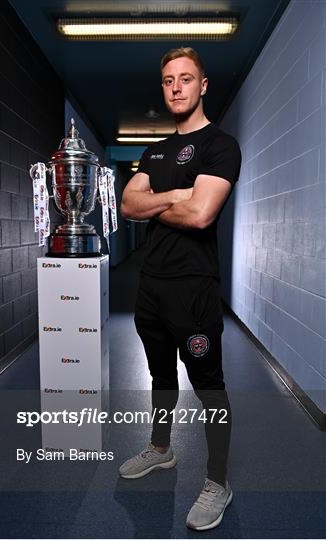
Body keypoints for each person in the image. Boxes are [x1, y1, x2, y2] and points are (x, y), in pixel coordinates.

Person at [119, 47, 241, 531]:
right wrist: (172, 194)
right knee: (160, 375)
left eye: (185, 78)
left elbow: (201, 214)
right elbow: (129, 206)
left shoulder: (220, 146)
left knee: (209, 386)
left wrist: (154, 202)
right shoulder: (155, 151)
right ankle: (161, 449)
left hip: (193, 289)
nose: (175, 87)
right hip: (151, 286)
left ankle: (217, 481)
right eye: (168, 79)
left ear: (202, 85)